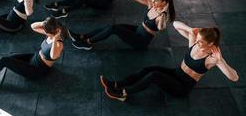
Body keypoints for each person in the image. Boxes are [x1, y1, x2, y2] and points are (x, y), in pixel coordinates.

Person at [100, 22, 239, 101]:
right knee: (148, 69)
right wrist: (191, 30)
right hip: (176, 73)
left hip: (182, 87)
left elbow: (234, 78)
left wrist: (222, 61)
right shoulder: (194, 43)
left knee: (154, 76)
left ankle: (123, 93)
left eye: (201, 42)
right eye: (197, 39)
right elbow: (176, 25)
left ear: (211, 43)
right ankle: (116, 83)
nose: (197, 43)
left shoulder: (212, 58)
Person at [68, 0, 175, 50]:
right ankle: (83, 36)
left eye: (156, 0)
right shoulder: (151, 5)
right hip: (138, 30)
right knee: (110, 27)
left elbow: (161, 28)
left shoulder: (163, 16)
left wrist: (163, 13)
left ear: (164, 3)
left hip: (141, 41)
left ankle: (87, 42)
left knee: (114, 29)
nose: (153, 1)